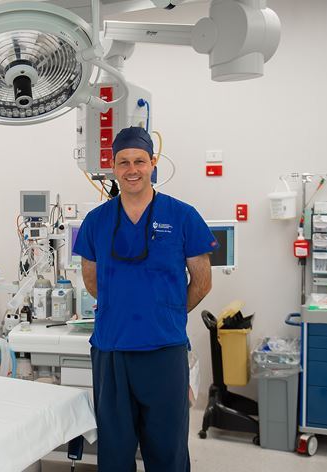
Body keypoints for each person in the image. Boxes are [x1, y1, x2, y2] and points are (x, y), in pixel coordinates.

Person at [73, 126, 218, 471]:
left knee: (167, 451)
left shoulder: (182, 216)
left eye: (139, 160)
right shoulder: (96, 221)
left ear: (152, 163)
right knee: (115, 452)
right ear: (113, 167)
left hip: (163, 351)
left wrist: (166, 312)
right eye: (123, 162)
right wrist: (123, 308)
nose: (132, 169)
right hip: (112, 350)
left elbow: (202, 281)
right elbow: (91, 280)